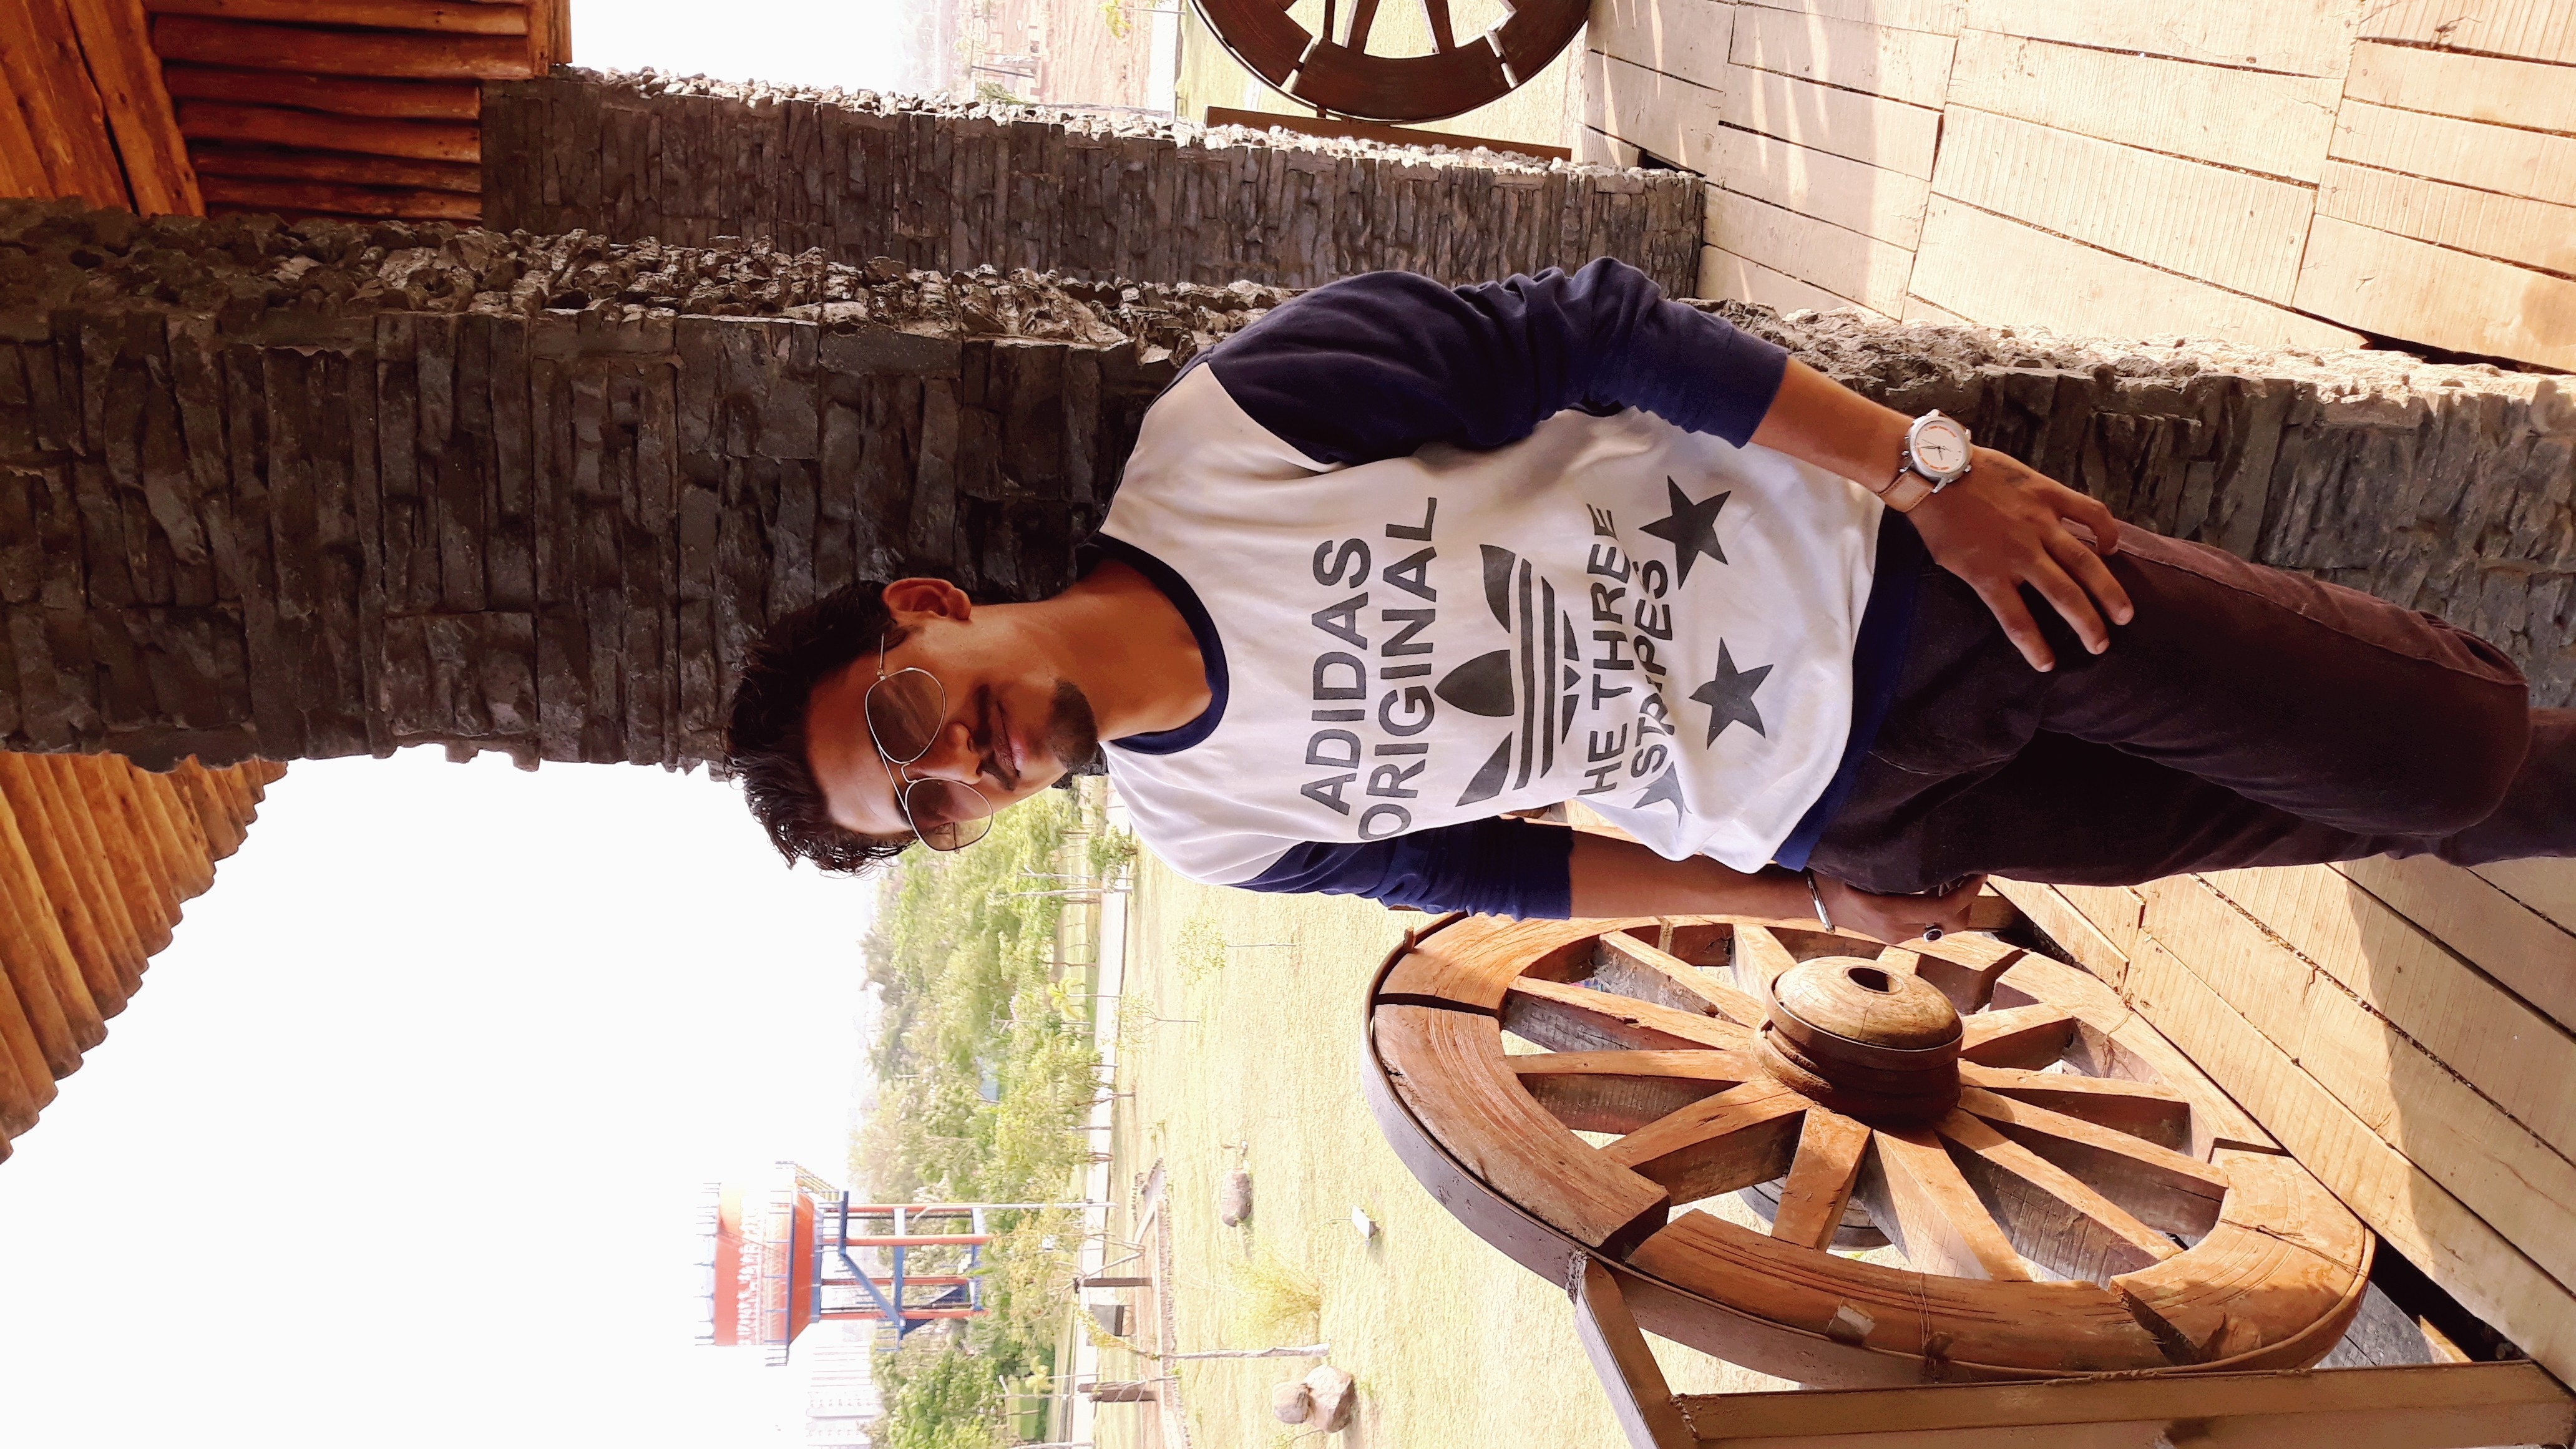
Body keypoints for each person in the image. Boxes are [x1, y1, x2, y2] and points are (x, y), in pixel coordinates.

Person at [723, 260, 2571, 943]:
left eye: (902, 720)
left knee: (2443, 747)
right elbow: (1493, 875)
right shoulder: (1209, 833)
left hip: (1908, 600)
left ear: (930, 609)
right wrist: (1799, 901)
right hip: (1850, 817)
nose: (955, 767)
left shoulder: (1228, 439)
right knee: (2350, 813)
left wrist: (1931, 475)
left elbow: (1593, 330)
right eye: (924, 810)